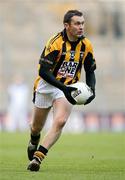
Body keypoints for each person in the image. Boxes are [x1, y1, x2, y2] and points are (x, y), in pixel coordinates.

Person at [27, 9, 96, 171]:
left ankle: (38, 158)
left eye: (82, 23)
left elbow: (90, 70)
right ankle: (33, 139)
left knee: (60, 121)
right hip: (46, 85)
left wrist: (92, 90)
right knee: (36, 127)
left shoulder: (86, 45)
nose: (81, 27)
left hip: (68, 87)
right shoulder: (55, 43)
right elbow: (43, 72)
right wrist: (63, 88)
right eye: (77, 23)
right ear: (66, 25)